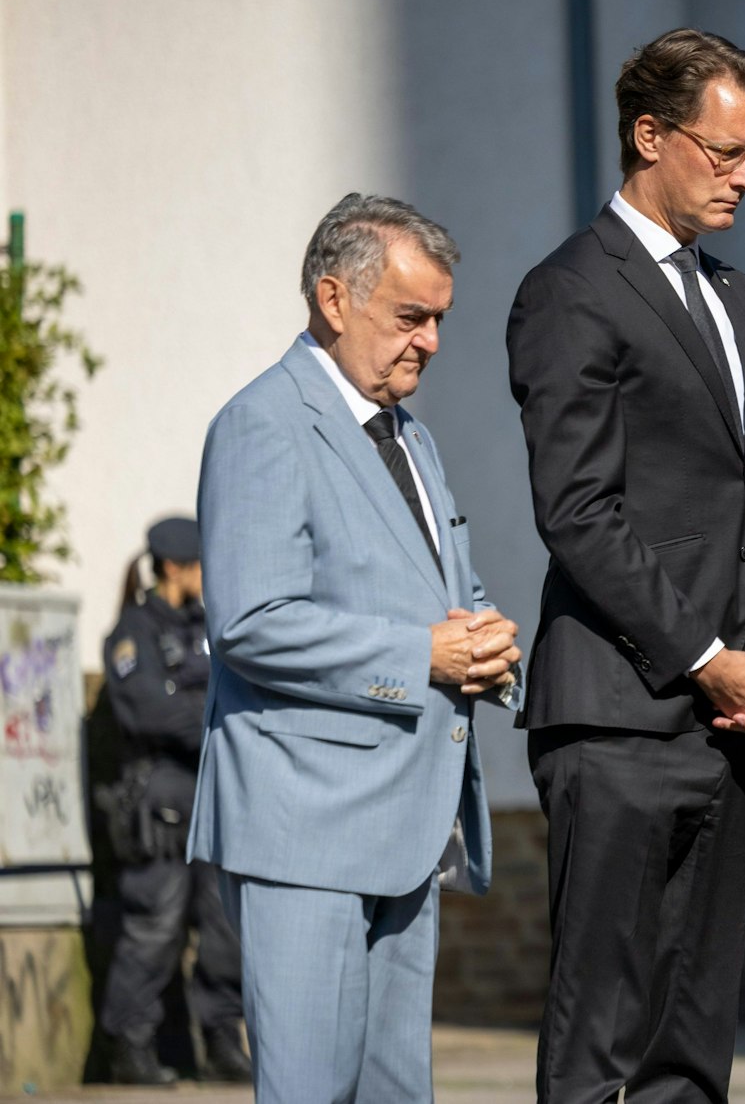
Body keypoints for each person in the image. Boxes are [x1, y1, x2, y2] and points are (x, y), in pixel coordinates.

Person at [506, 27, 745, 1103]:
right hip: (618, 715)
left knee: (692, 1043)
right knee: (603, 1032)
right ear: (649, 135)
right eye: (726, 152)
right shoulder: (571, 291)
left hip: (729, 721)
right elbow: (578, 512)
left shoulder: (742, 300)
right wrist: (703, 655)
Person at [186, 193, 522, 1100]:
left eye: (441, 319)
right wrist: (424, 656)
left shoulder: (409, 434)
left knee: (394, 1093)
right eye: (411, 316)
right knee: (308, 1090)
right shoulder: (264, 421)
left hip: (407, 825)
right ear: (334, 300)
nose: (433, 341)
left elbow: (445, 588)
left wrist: (490, 645)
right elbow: (252, 620)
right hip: (305, 830)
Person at [96, 517, 252, 1086]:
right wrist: (206, 710)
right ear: (173, 567)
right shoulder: (133, 631)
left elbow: (237, 691)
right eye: (201, 566)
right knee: (155, 929)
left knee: (226, 927)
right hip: (160, 805)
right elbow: (148, 711)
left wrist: (193, 701)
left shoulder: (209, 626)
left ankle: (222, 1044)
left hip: (216, 795)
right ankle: (129, 1047)